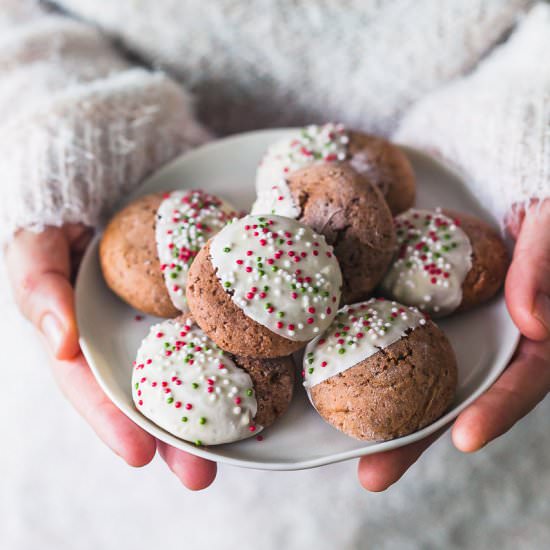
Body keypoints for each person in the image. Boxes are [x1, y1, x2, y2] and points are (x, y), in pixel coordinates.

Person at [2, 0, 549, 492]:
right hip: (74, 459)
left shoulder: (321, 258)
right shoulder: (238, 268)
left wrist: (527, 128)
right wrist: (60, 135)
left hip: (483, 464)